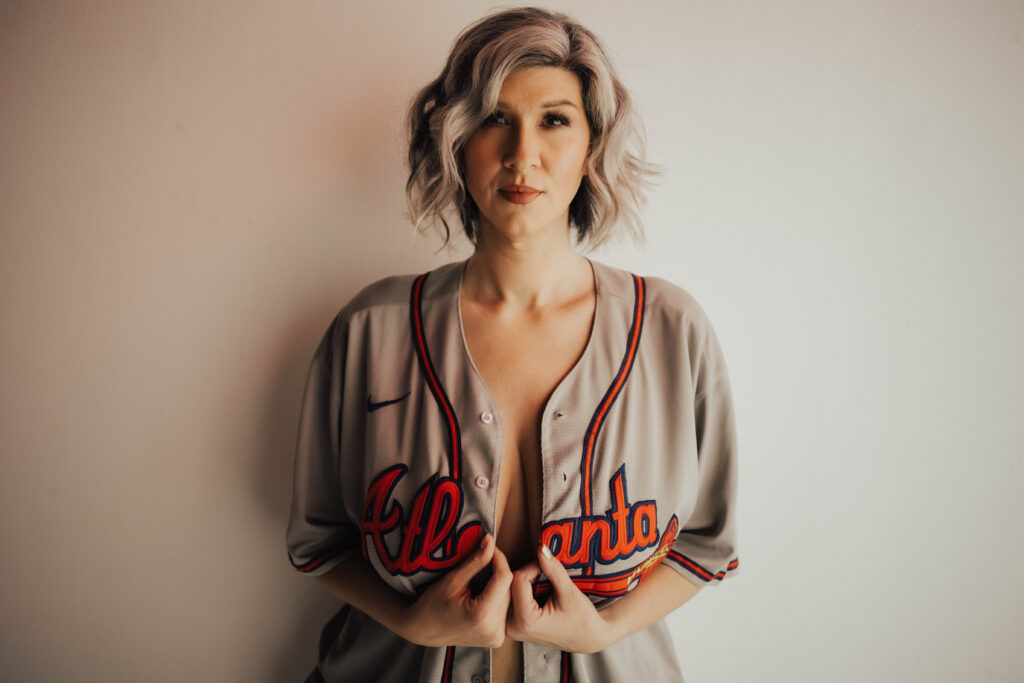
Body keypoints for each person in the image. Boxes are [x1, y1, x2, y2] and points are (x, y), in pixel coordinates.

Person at [286, 7, 739, 682]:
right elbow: (319, 540)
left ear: (591, 146)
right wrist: (413, 620)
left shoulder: (673, 333)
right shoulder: (370, 331)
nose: (522, 152)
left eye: (554, 118)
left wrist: (604, 627)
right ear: (456, 140)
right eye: (496, 118)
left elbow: (706, 541)